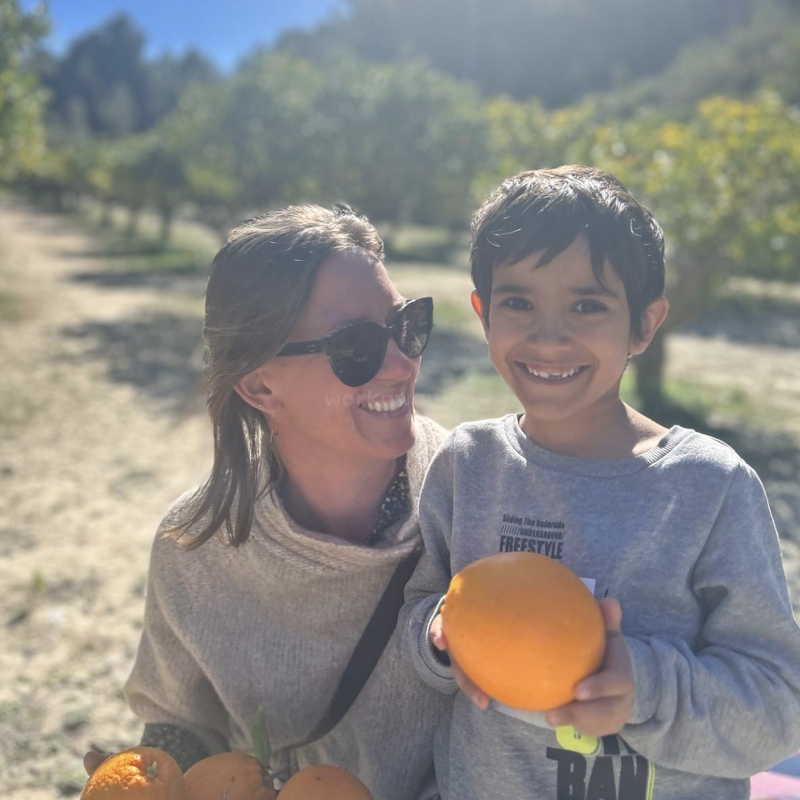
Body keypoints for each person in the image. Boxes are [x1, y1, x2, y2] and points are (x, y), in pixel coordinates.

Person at [401, 165, 800, 800]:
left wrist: (639, 686)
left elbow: (778, 707)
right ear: (482, 314)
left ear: (644, 324)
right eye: (518, 302)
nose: (548, 335)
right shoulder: (467, 465)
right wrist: (441, 639)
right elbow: (419, 613)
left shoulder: (708, 488)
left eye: (587, 304)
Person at [83, 203, 451, 800]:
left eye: (406, 325)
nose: (402, 363)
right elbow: (182, 723)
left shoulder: (472, 498)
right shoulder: (196, 546)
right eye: (355, 346)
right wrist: (144, 776)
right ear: (259, 385)